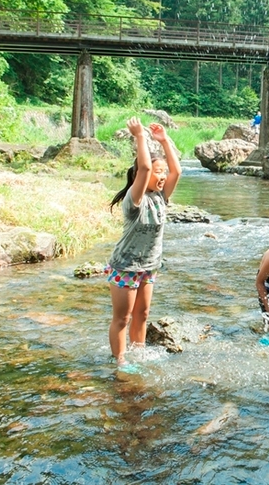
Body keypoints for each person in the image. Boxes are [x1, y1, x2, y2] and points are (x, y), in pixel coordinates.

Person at [106, 117, 181, 369]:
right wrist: (140, 136)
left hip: (149, 266)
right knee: (123, 318)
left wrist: (164, 140)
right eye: (157, 172)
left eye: (162, 173)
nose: (162, 176)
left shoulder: (161, 197)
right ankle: (121, 361)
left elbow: (177, 171)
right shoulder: (134, 200)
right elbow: (146, 169)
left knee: (143, 314)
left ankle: (138, 352)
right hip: (125, 266)